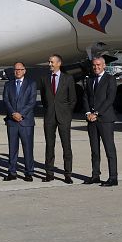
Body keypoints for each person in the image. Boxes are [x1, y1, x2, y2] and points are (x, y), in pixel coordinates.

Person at [39, 54, 77, 184]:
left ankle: (67, 174)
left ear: (59, 63)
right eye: (49, 62)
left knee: (66, 146)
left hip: (63, 117)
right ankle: (49, 173)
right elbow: (44, 99)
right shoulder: (44, 79)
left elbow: (72, 99)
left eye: (52, 62)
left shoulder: (68, 79)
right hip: (49, 117)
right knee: (49, 146)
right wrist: (49, 110)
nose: (50, 64)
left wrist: (67, 114)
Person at [82, 56, 118, 187]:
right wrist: (88, 113)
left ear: (104, 66)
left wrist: (97, 113)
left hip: (105, 119)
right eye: (94, 65)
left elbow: (110, 99)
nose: (96, 67)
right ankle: (95, 175)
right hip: (91, 119)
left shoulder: (110, 79)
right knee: (94, 150)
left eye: (98, 65)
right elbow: (85, 97)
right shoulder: (90, 79)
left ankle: (113, 177)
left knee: (109, 149)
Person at [3, 62, 36, 182]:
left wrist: (20, 114)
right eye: (16, 69)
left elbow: (32, 101)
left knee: (28, 148)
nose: (17, 71)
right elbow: (6, 100)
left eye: (20, 69)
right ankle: (12, 172)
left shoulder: (31, 84)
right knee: (12, 148)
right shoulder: (8, 84)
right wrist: (13, 113)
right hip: (12, 121)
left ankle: (29, 172)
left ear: (24, 70)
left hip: (26, 121)